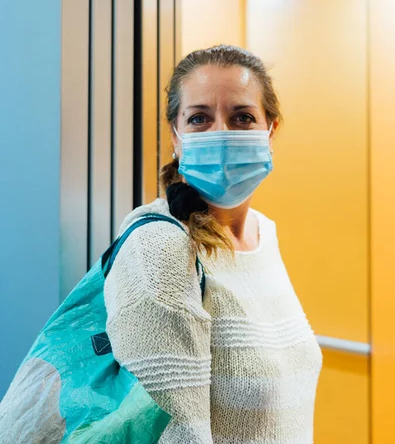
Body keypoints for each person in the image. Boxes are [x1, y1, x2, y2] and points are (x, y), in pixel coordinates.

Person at [104, 44, 323, 443]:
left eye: (242, 117)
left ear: (270, 130)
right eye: (200, 118)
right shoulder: (161, 247)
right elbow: (173, 434)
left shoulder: (263, 234)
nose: (221, 133)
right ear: (176, 136)